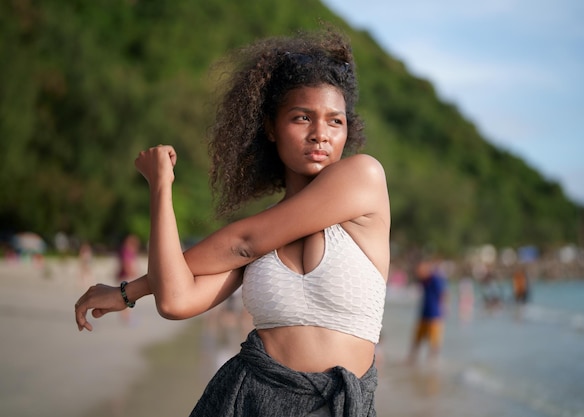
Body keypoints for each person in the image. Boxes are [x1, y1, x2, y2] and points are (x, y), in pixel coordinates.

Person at [74, 28, 390, 417]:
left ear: (348, 129)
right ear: (272, 128)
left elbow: (243, 243)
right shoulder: (259, 237)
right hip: (248, 400)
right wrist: (161, 186)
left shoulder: (364, 179)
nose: (320, 135)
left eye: (335, 121)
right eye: (302, 117)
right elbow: (175, 301)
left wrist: (130, 291)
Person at [406, 259, 447, 365]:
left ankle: (433, 363)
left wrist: (444, 310)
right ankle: (412, 360)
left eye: (420, 270)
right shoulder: (424, 281)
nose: (418, 273)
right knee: (416, 340)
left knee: (434, 342)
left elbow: (444, 294)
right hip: (423, 314)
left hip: (435, 315)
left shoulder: (435, 279)